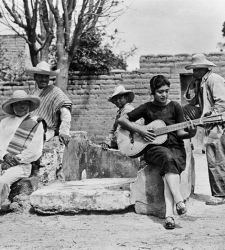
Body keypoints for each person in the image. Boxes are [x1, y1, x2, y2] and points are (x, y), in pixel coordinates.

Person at [118, 75, 196, 229]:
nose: (164, 95)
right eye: (160, 91)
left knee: (170, 163)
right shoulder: (147, 108)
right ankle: (179, 201)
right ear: (152, 92)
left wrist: (191, 133)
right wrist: (140, 129)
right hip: (153, 148)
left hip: (176, 147)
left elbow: (180, 133)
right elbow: (122, 120)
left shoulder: (175, 106)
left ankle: (169, 216)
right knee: (167, 158)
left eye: (167, 91)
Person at [184, 53, 225, 205]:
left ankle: (220, 195)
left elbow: (222, 103)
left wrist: (208, 117)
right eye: (193, 70)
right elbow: (193, 101)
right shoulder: (201, 82)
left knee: (215, 158)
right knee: (216, 157)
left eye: (196, 70)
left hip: (219, 123)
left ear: (204, 68)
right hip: (212, 123)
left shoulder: (214, 79)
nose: (193, 73)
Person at [0, 90, 44, 208]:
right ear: (13, 106)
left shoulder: (35, 125)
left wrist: (15, 159)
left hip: (21, 165)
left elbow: (35, 151)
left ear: (29, 105)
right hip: (2, 160)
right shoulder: (4, 122)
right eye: (18, 103)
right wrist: (4, 155)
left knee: (2, 182)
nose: (22, 106)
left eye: (25, 103)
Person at [26, 61, 72, 146]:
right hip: (30, 129)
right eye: (40, 76)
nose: (43, 79)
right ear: (35, 77)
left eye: (46, 76)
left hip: (47, 131)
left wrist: (64, 132)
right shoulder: (32, 93)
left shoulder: (55, 91)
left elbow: (65, 112)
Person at [101, 85, 135, 150]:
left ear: (126, 98)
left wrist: (109, 143)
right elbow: (113, 129)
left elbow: (119, 132)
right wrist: (107, 141)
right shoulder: (120, 111)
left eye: (120, 98)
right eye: (115, 99)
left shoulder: (128, 110)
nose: (117, 101)